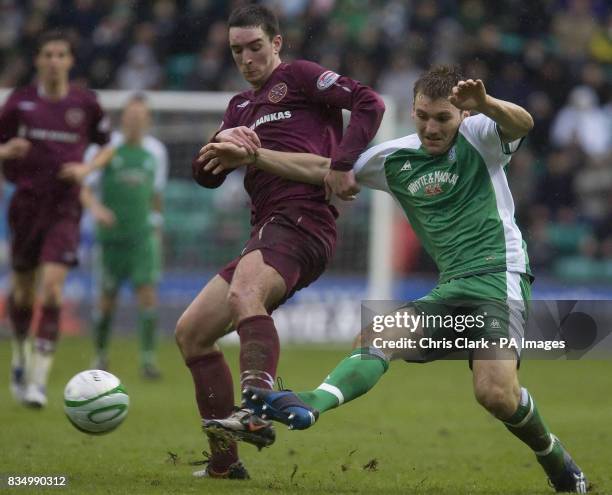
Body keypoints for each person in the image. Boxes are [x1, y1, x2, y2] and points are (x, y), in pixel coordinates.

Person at [203, 65, 588, 493]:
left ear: (460, 115)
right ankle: (313, 404)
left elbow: (524, 123)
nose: (431, 126)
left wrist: (486, 104)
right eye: (423, 115)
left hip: (500, 279)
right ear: (413, 110)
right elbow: (325, 169)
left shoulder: (480, 134)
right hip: (452, 288)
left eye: (442, 117)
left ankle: (558, 461)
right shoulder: (395, 158)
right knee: (378, 334)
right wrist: (255, 156)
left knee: (495, 394)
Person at [176, 4, 385, 479]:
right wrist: (220, 145)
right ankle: (225, 465)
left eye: (255, 47)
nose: (247, 58)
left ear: (276, 44)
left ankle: (254, 405)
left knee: (245, 294)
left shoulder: (302, 78)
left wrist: (341, 163)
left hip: (301, 218)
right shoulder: (239, 108)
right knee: (192, 334)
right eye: (237, 51)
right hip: (267, 228)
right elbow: (204, 175)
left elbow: (370, 102)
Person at [0, 30, 112, 408]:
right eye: (47, 54)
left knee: (51, 291)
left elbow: (106, 146)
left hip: (65, 207)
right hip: (26, 205)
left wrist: (86, 169)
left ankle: (38, 381)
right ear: (37, 60)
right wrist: (6, 150)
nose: (53, 61)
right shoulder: (19, 102)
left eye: (60, 54)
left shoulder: (85, 103)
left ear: (70, 61)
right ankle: (19, 354)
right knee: (22, 293)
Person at [81, 94, 168, 379]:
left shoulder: (156, 152)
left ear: (148, 120)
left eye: (141, 117)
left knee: (148, 295)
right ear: (122, 119)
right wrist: (96, 209)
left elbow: (156, 196)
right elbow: (84, 187)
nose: (135, 121)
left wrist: (157, 227)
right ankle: (101, 354)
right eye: (131, 116)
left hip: (142, 238)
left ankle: (148, 360)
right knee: (107, 300)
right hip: (111, 239)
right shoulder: (106, 150)